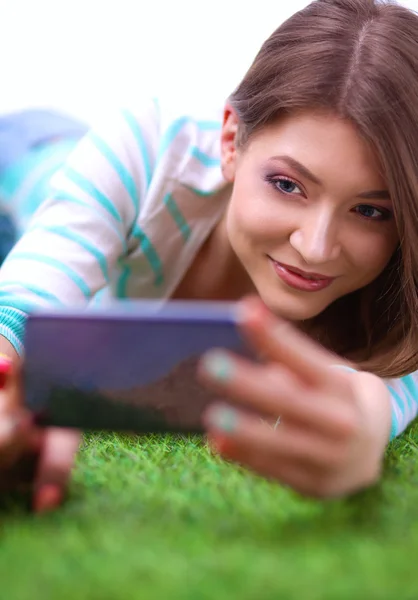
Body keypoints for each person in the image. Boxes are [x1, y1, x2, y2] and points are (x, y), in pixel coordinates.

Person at [0, 0, 417, 511]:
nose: (315, 247)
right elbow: (22, 304)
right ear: (230, 142)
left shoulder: (405, 282)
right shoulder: (145, 147)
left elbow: (377, 396)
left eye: (371, 212)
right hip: (24, 157)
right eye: (287, 185)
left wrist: (366, 433)